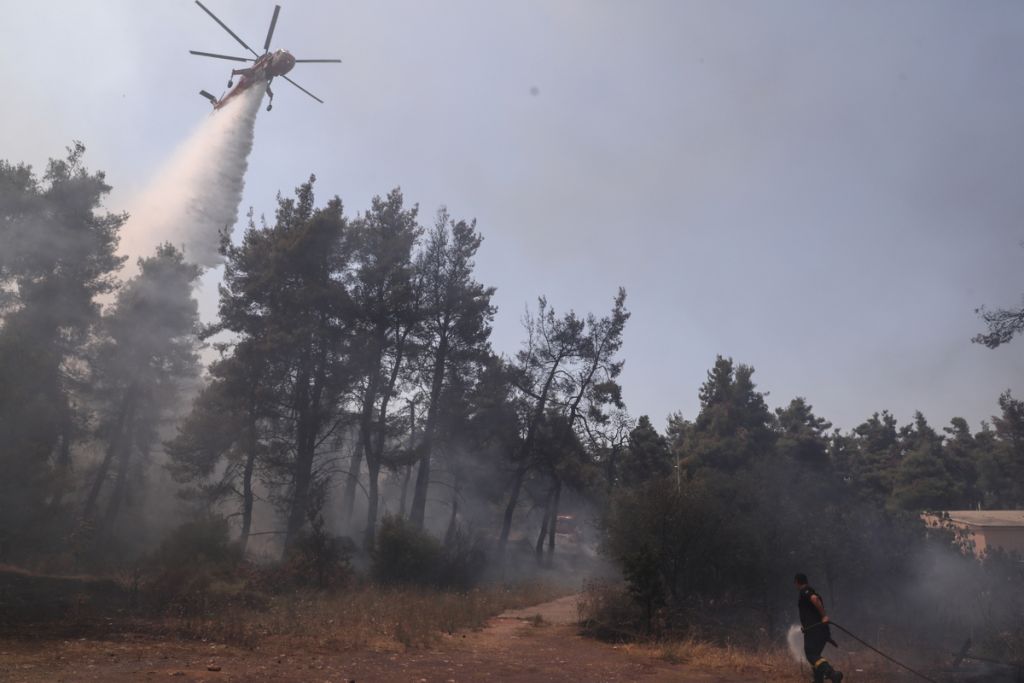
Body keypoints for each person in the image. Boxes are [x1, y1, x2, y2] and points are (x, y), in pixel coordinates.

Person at [795, 573, 843, 683]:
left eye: (795, 583)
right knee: (816, 656)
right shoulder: (812, 590)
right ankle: (818, 681)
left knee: (811, 655)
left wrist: (824, 616)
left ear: (797, 582)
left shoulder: (805, 591)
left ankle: (832, 674)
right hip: (820, 630)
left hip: (814, 630)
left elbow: (814, 599)